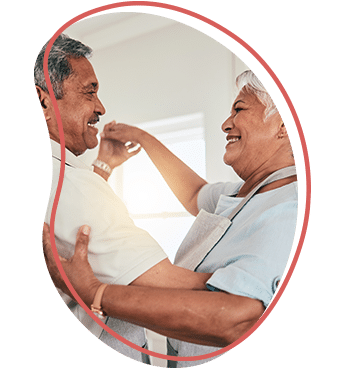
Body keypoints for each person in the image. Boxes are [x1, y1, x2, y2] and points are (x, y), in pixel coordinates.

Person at [42, 64, 298, 366]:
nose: (226, 124)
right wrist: (141, 140)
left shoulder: (291, 206)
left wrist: (95, 293)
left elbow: (237, 318)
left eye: (239, 109)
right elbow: (193, 193)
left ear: (283, 124)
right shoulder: (241, 195)